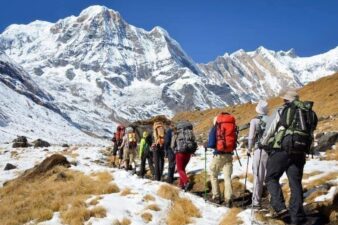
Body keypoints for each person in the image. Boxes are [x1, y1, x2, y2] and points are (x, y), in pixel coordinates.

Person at [260, 90, 317, 225]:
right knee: (295, 183)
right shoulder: (309, 112)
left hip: (282, 150)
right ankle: (296, 217)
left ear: (286, 100)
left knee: (271, 177)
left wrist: (262, 143)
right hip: (300, 151)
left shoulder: (282, 110)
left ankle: (281, 209)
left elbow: (270, 129)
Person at [209, 113, 237, 207]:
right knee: (227, 177)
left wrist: (207, 145)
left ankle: (216, 196)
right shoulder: (231, 126)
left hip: (219, 155)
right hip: (229, 155)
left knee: (213, 174)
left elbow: (211, 143)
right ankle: (228, 199)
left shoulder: (216, 127)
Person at [247, 100, 269, 209]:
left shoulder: (255, 121)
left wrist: (249, 149)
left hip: (259, 151)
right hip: (272, 151)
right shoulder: (272, 119)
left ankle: (256, 202)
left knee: (258, 176)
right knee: (271, 177)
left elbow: (251, 137)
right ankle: (273, 200)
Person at [171, 121, 197, 191]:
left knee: (180, 169)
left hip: (180, 153)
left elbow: (172, 145)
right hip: (188, 153)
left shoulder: (177, 133)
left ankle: (186, 182)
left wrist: (174, 150)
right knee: (183, 169)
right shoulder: (190, 132)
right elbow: (194, 142)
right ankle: (181, 185)